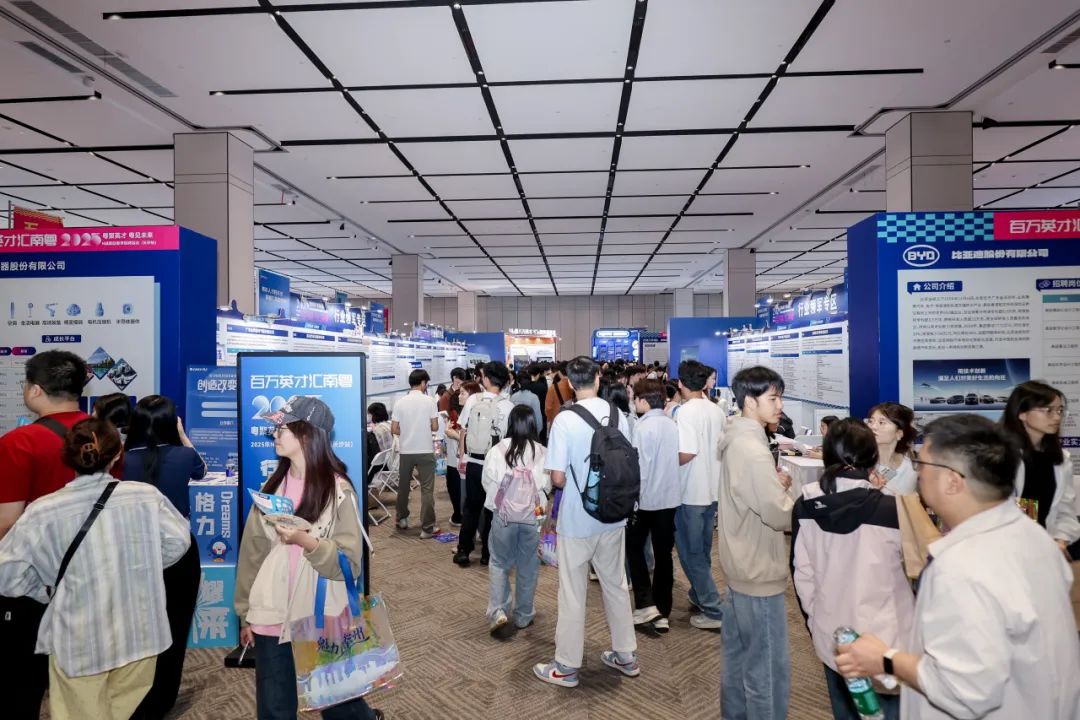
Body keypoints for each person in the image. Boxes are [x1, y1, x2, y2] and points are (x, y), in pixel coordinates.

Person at [836, 414, 1080, 720]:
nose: (918, 473)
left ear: (952, 480)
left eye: (922, 464)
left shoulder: (963, 566)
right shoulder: (1034, 537)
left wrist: (885, 659)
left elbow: (964, 690)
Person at [0, 417, 191, 720]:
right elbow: (179, 543)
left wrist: (45, 590)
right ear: (117, 455)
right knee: (120, 711)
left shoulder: (42, 511)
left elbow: (8, 576)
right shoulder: (145, 497)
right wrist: (144, 570)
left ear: (67, 456)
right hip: (141, 631)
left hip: (78, 639)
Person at [234, 396, 383, 720]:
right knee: (274, 707)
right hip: (271, 611)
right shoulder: (271, 487)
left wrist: (307, 542)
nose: (275, 434)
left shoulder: (338, 491)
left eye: (282, 428)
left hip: (320, 614)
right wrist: (246, 613)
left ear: (306, 434)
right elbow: (252, 554)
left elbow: (349, 563)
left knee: (339, 704)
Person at [791, 419, 912, 720]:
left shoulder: (805, 506)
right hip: (887, 640)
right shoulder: (893, 510)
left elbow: (802, 574)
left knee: (845, 710)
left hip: (833, 636)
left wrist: (816, 621)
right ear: (872, 457)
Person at [533, 356, 639, 688]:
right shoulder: (618, 415)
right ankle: (626, 655)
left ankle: (566, 666)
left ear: (568, 382)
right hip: (614, 515)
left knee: (572, 592)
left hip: (578, 520)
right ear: (598, 378)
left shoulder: (565, 420)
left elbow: (558, 478)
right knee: (616, 585)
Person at [0, 350, 91, 719]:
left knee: (21, 678)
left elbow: (7, 522)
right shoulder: (104, 436)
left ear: (35, 389)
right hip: (90, 568)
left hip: (34, 577)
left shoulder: (19, 442)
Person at [717, 365, 795, 719]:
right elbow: (779, 514)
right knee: (766, 671)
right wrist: (787, 492)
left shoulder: (740, 439)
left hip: (741, 563)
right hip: (758, 569)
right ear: (750, 401)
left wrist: (772, 485)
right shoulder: (752, 449)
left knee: (738, 661)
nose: (780, 406)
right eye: (773, 398)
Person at [121, 395, 206, 720]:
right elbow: (201, 471)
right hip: (179, 549)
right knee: (176, 621)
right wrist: (183, 435)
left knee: (137, 624)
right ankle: (164, 696)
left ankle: (135, 693)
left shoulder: (123, 459)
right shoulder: (184, 455)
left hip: (134, 550)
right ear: (172, 422)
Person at [482, 405, 551, 639]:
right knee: (528, 565)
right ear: (533, 424)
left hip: (503, 516)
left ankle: (499, 612)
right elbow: (547, 485)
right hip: (532, 517)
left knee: (499, 563)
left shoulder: (497, 450)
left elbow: (486, 483)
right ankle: (523, 615)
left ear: (510, 423)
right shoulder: (543, 452)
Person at [674, 360, 727, 631]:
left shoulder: (685, 412)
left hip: (691, 492)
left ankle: (714, 609)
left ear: (680, 383)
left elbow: (686, 452)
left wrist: (664, 462)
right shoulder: (716, 410)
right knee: (702, 549)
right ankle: (698, 593)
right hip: (712, 489)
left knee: (690, 551)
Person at [627, 378, 681, 633]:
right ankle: (663, 610)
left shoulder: (642, 427)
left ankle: (645, 604)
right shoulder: (672, 424)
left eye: (635, 398)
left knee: (634, 549)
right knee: (663, 555)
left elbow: (640, 469)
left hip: (645, 500)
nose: (634, 402)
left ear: (643, 401)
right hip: (669, 500)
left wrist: (633, 498)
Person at [1000, 381, 1080, 547]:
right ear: (1022, 414)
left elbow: (1066, 512)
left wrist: (1061, 541)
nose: (1057, 417)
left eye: (1060, 410)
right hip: (1005, 546)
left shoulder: (1060, 459)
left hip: (1044, 545)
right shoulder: (1000, 455)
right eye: (1048, 410)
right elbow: (996, 509)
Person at [454, 362, 514, 567]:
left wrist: (462, 457)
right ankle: (488, 553)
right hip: (496, 467)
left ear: (486, 379)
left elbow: (463, 430)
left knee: (471, 507)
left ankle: (463, 550)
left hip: (474, 462)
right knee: (492, 509)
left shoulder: (473, 399)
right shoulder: (508, 406)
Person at [391, 370, 440, 538]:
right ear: (423, 382)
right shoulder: (429, 401)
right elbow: (435, 427)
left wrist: (407, 431)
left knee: (403, 487)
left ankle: (402, 519)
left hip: (406, 451)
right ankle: (427, 528)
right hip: (425, 450)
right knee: (427, 490)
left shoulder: (400, 402)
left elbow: (394, 429)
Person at [865, 402, 918, 496]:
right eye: (871, 421)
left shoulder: (911, 467)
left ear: (899, 433)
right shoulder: (860, 465)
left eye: (881, 422)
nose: (873, 427)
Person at [544, 361, 575, 430]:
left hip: (556, 421)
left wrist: (551, 419)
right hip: (573, 421)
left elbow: (548, 409)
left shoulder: (553, 387)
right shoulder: (576, 385)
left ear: (559, 372)